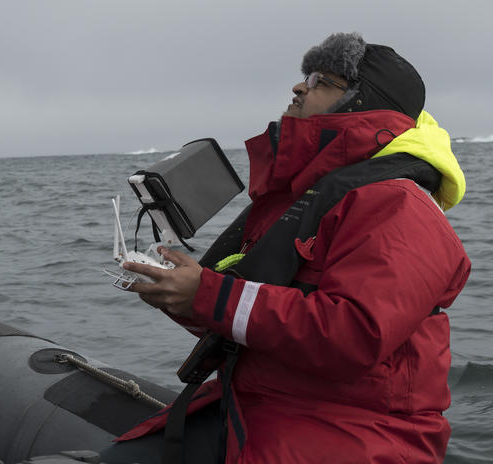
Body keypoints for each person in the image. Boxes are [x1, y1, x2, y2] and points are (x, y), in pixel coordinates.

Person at [116, 32, 471, 464]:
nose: (299, 87)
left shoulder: (399, 206)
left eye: (322, 79)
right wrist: (177, 293)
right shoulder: (300, 197)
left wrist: (207, 294)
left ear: (363, 102)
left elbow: (355, 336)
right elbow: (247, 313)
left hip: (353, 436)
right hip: (258, 409)